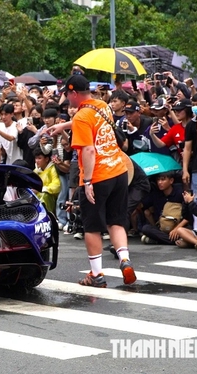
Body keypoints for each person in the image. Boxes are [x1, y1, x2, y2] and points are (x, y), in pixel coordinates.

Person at [62, 75, 136, 287]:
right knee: (116, 220)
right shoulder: (103, 106)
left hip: (98, 176)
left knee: (92, 226)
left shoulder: (81, 117)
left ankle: (96, 275)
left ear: (74, 93)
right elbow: (91, 122)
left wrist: (86, 182)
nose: (67, 98)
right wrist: (64, 126)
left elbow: (88, 150)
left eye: (68, 94)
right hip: (119, 172)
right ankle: (124, 260)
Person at [32, 148, 61, 214]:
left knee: (44, 195)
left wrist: (41, 189)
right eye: (36, 158)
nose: (37, 161)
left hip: (51, 198)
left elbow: (57, 186)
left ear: (47, 159)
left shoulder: (52, 169)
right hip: (37, 197)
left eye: (39, 158)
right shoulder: (36, 171)